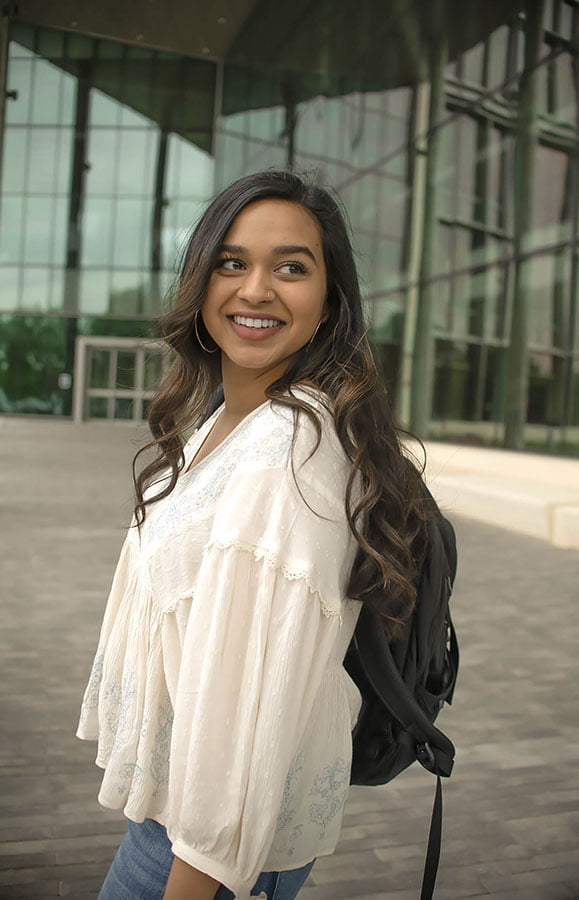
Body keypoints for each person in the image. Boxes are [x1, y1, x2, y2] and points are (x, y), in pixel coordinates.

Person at [77, 170, 429, 900]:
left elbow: (248, 718)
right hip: (181, 821)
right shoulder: (221, 419)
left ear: (330, 302)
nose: (254, 289)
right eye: (231, 262)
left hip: (210, 851)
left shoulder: (289, 450)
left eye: (291, 267)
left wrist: (194, 874)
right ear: (201, 280)